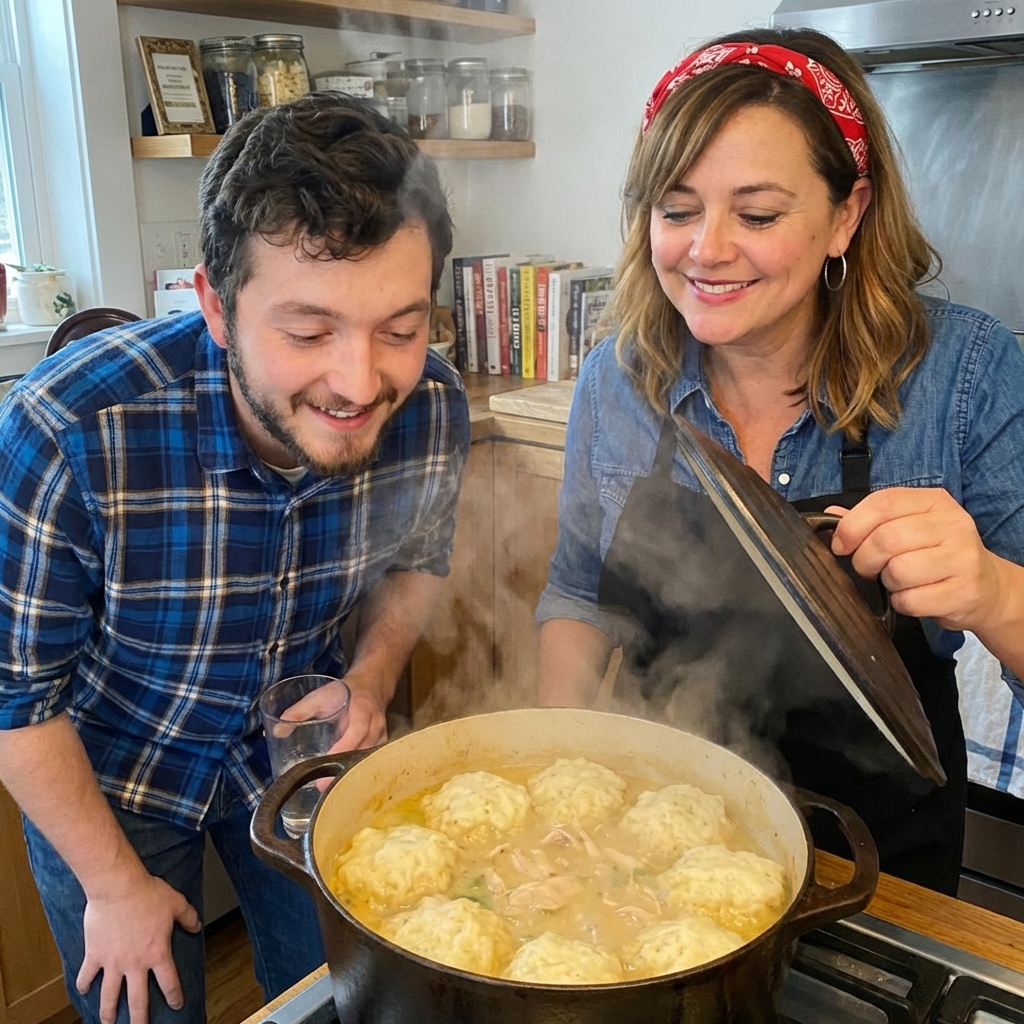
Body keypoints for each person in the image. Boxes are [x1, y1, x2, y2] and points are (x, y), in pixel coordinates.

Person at [0, 94, 469, 1024]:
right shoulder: (68, 431)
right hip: (109, 778)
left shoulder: (433, 406)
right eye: (307, 332)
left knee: (338, 1002)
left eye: (401, 329)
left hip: (294, 759)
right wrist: (111, 887)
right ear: (215, 302)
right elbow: (16, 700)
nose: (359, 380)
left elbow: (416, 563)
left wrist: (370, 682)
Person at [536, 27, 1024, 895]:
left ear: (847, 213)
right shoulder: (620, 377)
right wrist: (557, 771)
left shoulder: (966, 374)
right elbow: (578, 592)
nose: (706, 250)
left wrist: (991, 590)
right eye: (676, 210)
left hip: (877, 874)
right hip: (649, 859)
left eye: (757, 214)